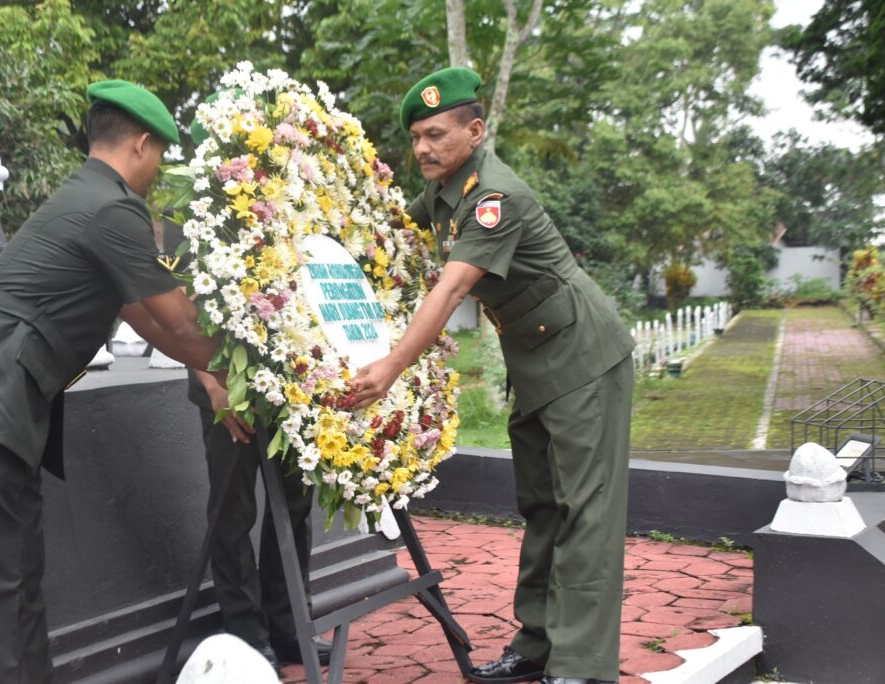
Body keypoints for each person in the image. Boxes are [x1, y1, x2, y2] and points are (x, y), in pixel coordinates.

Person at [0, 79, 225, 683]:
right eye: (160, 156)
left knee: (18, 583)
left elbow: (138, 313)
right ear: (141, 143)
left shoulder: (86, 196)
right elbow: (180, 315)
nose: (158, 170)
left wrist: (207, 371)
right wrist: (251, 370)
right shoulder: (113, 209)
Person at [349, 67, 635, 684]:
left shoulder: (493, 197)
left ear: (474, 131)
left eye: (436, 134)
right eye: (416, 137)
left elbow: (452, 287)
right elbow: (391, 234)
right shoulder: (447, 189)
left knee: (585, 510)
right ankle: (537, 649)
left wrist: (393, 366)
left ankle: (583, 666)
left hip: (584, 358)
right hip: (536, 361)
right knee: (541, 505)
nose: (422, 148)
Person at [179, 105, 332, 669]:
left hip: (288, 386)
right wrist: (214, 386)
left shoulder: (285, 210)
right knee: (233, 507)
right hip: (225, 389)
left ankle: (291, 624)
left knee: (294, 506)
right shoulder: (193, 218)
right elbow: (178, 320)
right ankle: (245, 633)